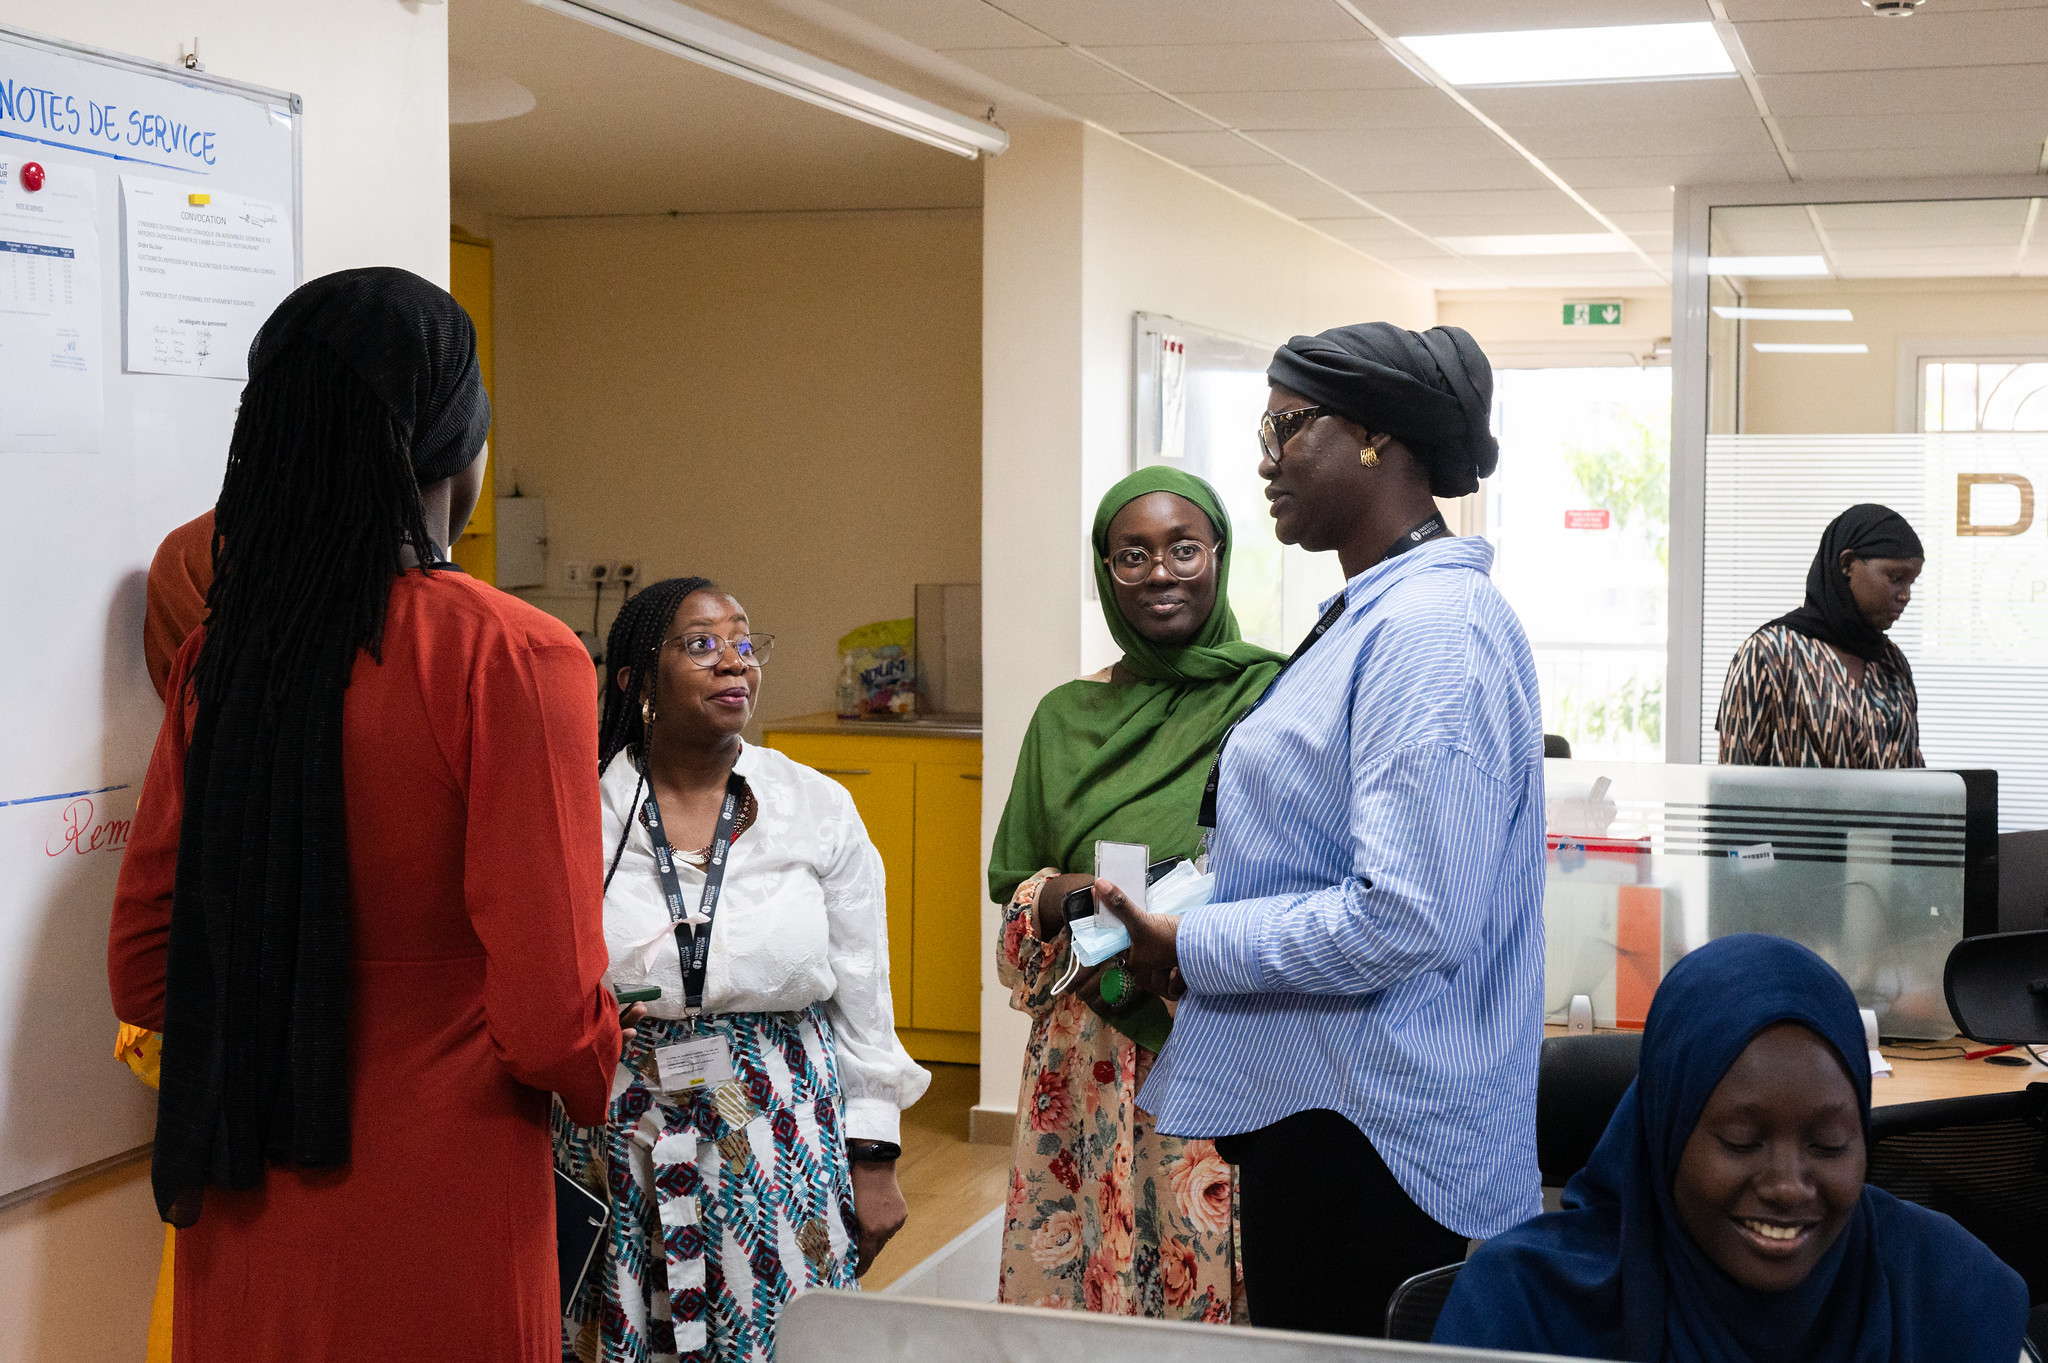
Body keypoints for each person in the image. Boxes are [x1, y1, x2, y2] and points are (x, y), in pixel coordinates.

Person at [107, 267, 624, 1363]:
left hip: (244, 1193)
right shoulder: (515, 655)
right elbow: (547, 1015)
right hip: (444, 1196)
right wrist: (597, 1068)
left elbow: (146, 969)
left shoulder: (218, 657)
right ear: (454, 446)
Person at [1100, 322, 1547, 1338]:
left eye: (1285, 426)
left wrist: (1193, 942)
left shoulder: (1429, 633)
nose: (1263, 457)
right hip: (1327, 1105)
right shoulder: (1372, 614)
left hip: (1370, 1133)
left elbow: (1403, 917)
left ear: (1375, 437)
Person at [556, 576, 930, 1363]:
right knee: (623, 1333)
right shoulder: (577, 810)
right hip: (617, 1123)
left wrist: (876, 1155)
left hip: (774, 1121)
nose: (735, 663)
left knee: (774, 1337)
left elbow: (866, 995)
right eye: (701, 644)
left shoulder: (815, 808)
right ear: (635, 679)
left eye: (745, 643)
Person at [1433, 933, 2029, 1360]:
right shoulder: (1522, 1311)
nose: (1789, 1184)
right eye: (1743, 1141)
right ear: (1665, 1134)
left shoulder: (1949, 1292)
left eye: (1829, 1144)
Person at [990, 466, 1284, 1320]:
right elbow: (1016, 892)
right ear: (1105, 571)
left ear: (1220, 556)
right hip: (1085, 1059)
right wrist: (1060, 894)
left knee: (1214, 1282)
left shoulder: (1277, 696)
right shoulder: (1063, 718)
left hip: (1221, 1036)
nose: (1160, 572)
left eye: (1184, 548)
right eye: (1132, 555)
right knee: (1089, 1284)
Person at [1717, 504, 1925, 768]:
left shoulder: (1892, 662)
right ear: (1847, 563)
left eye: (1912, 582)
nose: (1905, 595)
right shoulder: (1770, 653)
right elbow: (1733, 787)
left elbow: (1915, 779)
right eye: (1896, 578)